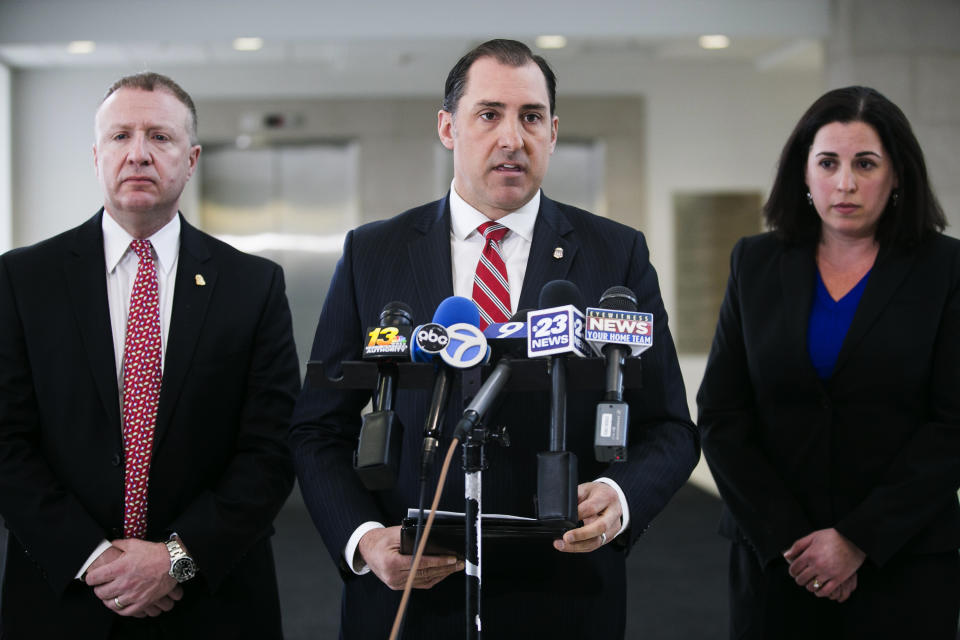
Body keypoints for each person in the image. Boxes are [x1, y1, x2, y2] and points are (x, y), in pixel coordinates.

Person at [289, 39, 699, 638]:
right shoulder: (371, 255)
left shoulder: (616, 254)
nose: (513, 137)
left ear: (553, 132)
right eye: (489, 115)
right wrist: (365, 540)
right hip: (409, 596)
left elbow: (670, 426)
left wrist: (619, 495)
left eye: (531, 117)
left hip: (564, 594)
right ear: (448, 127)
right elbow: (316, 429)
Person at [0, 72, 300, 638]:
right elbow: (6, 440)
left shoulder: (253, 285)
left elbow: (272, 448)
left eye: (160, 138)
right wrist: (97, 561)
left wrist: (175, 560)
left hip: (212, 596)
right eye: (120, 137)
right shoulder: (22, 279)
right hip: (63, 594)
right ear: (96, 157)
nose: (138, 154)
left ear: (191, 159)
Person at [697, 85, 960, 639]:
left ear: (897, 177)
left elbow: (952, 425)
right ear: (804, 174)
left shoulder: (946, 269)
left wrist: (857, 540)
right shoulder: (756, 262)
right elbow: (722, 416)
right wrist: (794, 541)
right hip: (777, 562)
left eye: (866, 163)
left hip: (904, 563)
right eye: (828, 163)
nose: (845, 183)